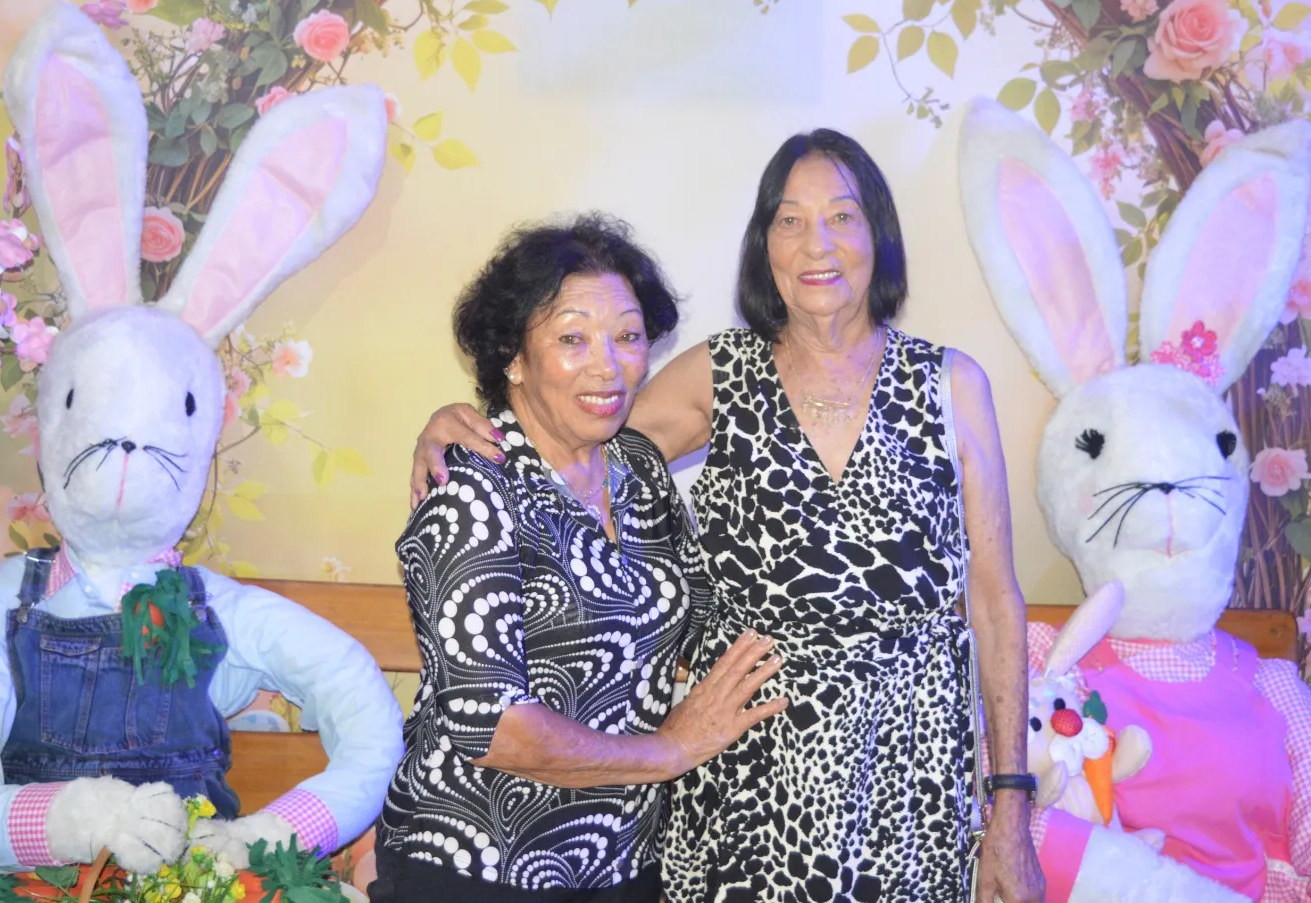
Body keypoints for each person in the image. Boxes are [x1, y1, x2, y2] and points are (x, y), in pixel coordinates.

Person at [409, 132, 1045, 903]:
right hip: (745, 785)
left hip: (907, 784)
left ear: (879, 234)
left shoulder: (952, 386)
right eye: (789, 219)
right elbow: (571, 424)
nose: (816, 243)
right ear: (763, 246)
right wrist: (457, 425)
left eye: (842, 216)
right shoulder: (721, 374)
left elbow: (995, 600)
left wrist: (1010, 800)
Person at [371, 215, 790, 903]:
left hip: (623, 861)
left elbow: (703, 619)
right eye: (572, 338)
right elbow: (492, 726)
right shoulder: (470, 489)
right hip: (479, 867)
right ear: (513, 355)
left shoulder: (637, 468)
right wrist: (669, 751)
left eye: (627, 336)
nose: (609, 365)